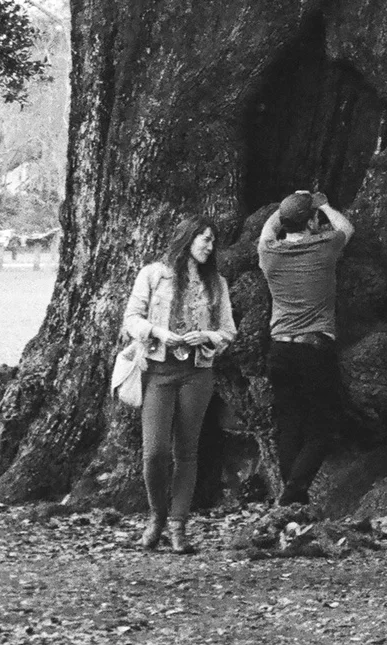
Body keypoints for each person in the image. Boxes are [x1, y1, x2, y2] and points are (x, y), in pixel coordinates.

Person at [121, 216, 235, 553]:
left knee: (187, 451)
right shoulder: (154, 274)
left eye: (213, 241)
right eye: (205, 239)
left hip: (197, 373)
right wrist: (158, 333)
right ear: (187, 239)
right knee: (155, 451)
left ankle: (178, 526)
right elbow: (131, 318)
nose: (210, 247)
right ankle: (156, 516)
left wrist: (208, 336)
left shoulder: (217, 283)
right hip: (158, 370)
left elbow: (228, 331)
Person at [256, 188, 354, 511]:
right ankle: (292, 494)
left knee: (289, 425)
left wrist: (289, 203)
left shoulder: (269, 253)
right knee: (324, 427)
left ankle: (292, 504)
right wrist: (323, 204)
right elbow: (346, 226)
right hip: (314, 350)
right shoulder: (324, 247)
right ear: (312, 222)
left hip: (280, 351)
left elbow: (268, 229)